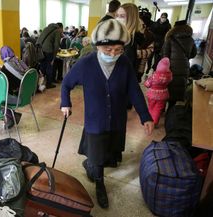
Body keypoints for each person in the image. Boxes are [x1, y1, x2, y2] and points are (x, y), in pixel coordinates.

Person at [60, 19, 154, 208]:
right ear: (98, 47)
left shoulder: (125, 62)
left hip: (117, 118)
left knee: (110, 149)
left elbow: (134, 91)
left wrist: (145, 116)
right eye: (108, 50)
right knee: (98, 154)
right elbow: (66, 84)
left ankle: (92, 166)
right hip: (95, 120)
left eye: (118, 50)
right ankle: (100, 182)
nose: (113, 54)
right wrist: (65, 103)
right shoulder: (86, 63)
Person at [161, 20, 196, 110]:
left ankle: (161, 109)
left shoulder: (170, 38)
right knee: (178, 89)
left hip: (170, 68)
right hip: (184, 68)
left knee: (166, 88)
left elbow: (165, 55)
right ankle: (171, 110)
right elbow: (193, 54)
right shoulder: (191, 40)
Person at [144, 57, 172, 127]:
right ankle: (155, 123)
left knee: (151, 107)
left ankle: (149, 120)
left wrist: (146, 82)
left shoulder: (154, 76)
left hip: (152, 95)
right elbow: (170, 82)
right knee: (158, 109)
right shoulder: (169, 75)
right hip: (163, 96)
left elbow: (147, 84)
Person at [37, 22, 63, 89]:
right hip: (48, 51)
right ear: (60, 28)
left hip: (40, 50)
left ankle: (40, 83)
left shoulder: (46, 28)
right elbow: (56, 45)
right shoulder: (57, 31)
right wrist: (54, 57)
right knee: (49, 66)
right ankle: (49, 84)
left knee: (42, 66)